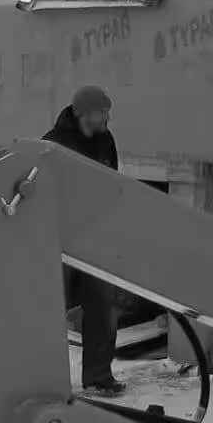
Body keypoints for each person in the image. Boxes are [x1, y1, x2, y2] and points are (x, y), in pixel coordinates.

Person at [44, 85, 124, 396]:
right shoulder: (53, 145)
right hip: (58, 237)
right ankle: (47, 378)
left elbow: (112, 183)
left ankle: (98, 376)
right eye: (102, 112)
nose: (108, 117)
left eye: (108, 111)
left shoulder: (106, 141)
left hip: (96, 236)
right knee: (51, 307)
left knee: (104, 305)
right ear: (83, 114)